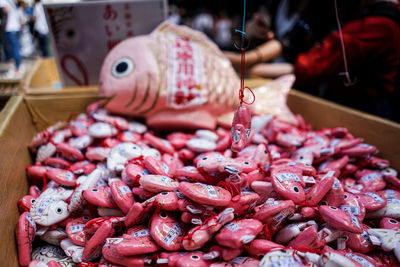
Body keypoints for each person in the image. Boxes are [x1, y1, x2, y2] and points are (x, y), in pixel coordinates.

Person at [247, 0, 400, 121]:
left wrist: (246, 65)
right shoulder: (367, 14)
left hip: (364, 111)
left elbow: (313, 66)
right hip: (344, 101)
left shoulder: (375, 24)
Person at [0, 0, 24, 78]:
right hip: (16, 27)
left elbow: (5, 12)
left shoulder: (3, 1)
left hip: (9, 28)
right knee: (16, 48)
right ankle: (18, 67)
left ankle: (17, 68)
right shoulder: (14, 1)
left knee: (13, 49)